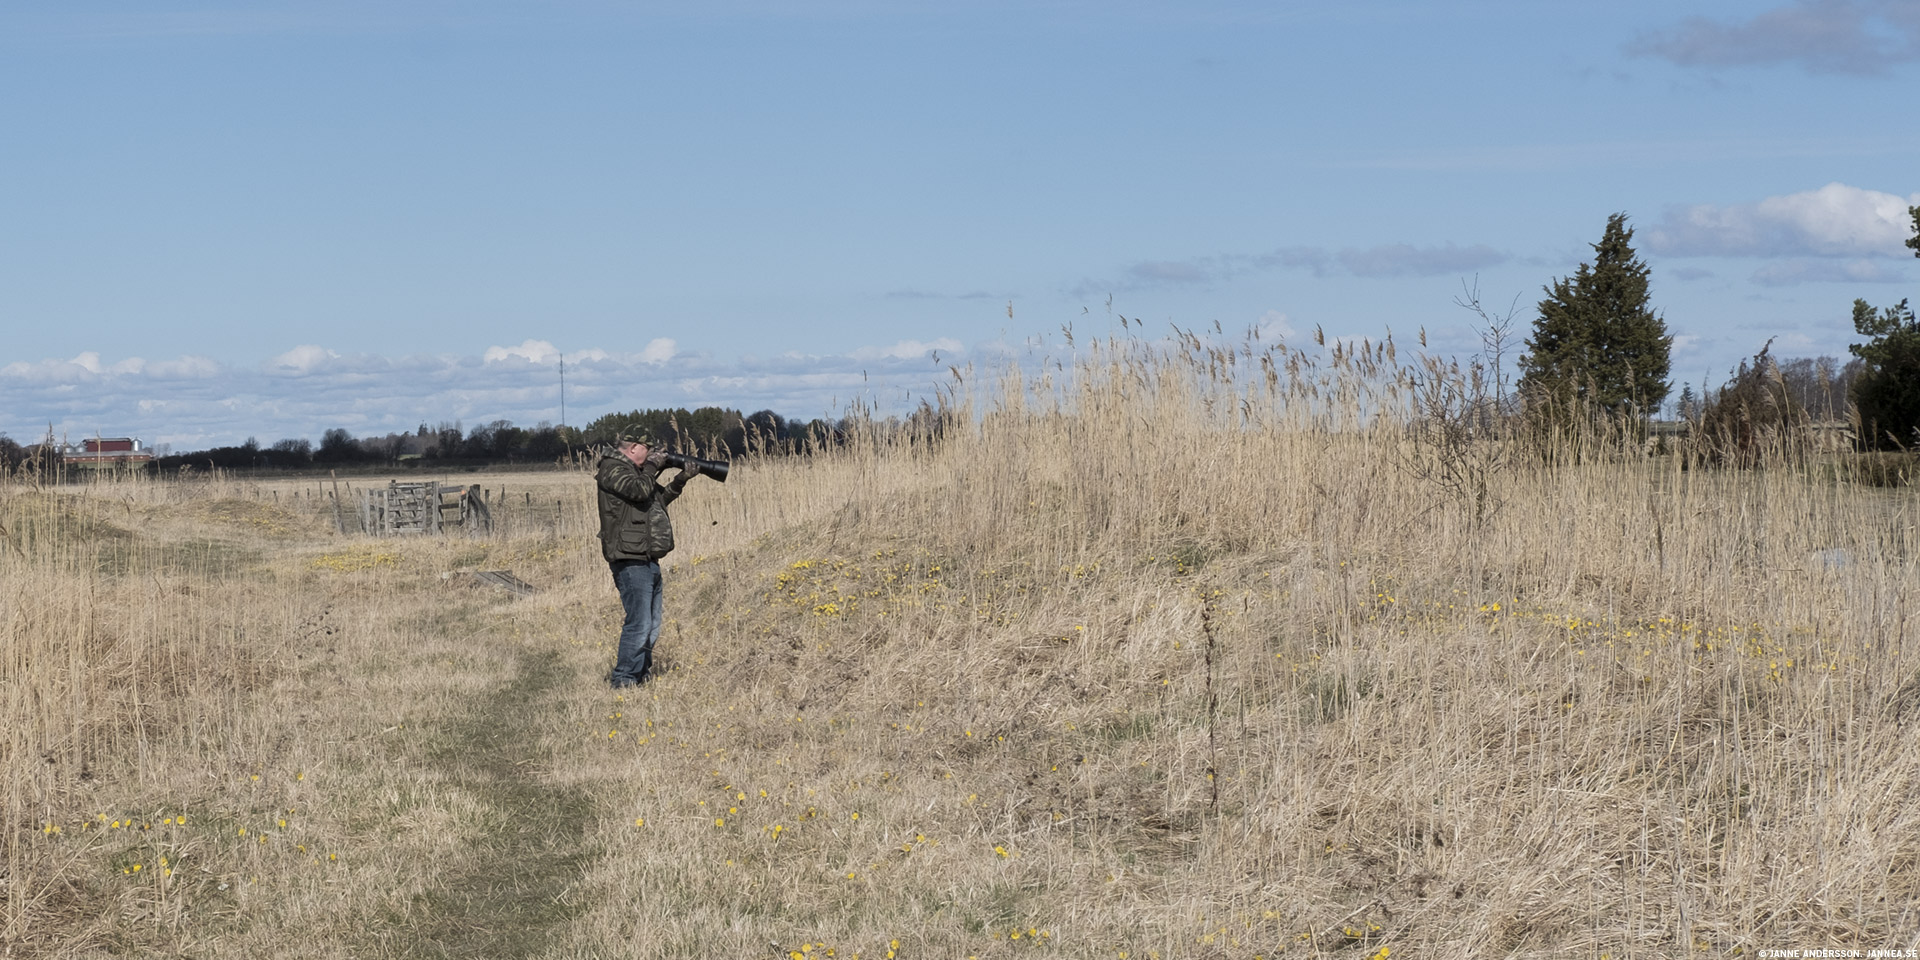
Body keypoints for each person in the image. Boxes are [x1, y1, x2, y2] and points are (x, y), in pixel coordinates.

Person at [596, 428, 701, 688]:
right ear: (633, 448)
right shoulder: (612, 469)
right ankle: (624, 679)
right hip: (629, 558)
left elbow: (656, 501)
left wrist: (680, 480)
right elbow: (639, 491)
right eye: (649, 449)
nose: (653, 454)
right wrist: (654, 467)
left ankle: (639, 674)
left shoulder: (637, 474)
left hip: (646, 556)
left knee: (652, 624)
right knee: (639, 622)